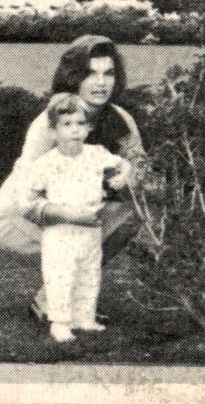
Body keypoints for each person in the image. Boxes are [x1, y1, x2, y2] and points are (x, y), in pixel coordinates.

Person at [0, 35, 146, 324]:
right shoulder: (50, 122)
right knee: (81, 231)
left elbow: (141, 167)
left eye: (108, 73)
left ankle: (54, 300)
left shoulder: (121, 119)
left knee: (132, 213)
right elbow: (25, 195)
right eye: (90, 74)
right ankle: (56, 301)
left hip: (74, 208)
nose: (101, 83)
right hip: (20, 215)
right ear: (73, 78)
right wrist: (69, 215)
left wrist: (129, 174)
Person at [26, 93, 132, 342]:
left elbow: (124, 164)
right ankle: (60, 322)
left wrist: (122, 176)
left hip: (91, 228)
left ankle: (85, 317)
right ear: (54, 131)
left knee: (89, 273)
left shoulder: (96, 153)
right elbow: (31, 199)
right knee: (61, 275)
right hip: (61, 231)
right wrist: (63, 213)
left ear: (89, 127)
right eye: (67, 124)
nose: (75, 130)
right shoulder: (46, 163)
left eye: (80, 123)